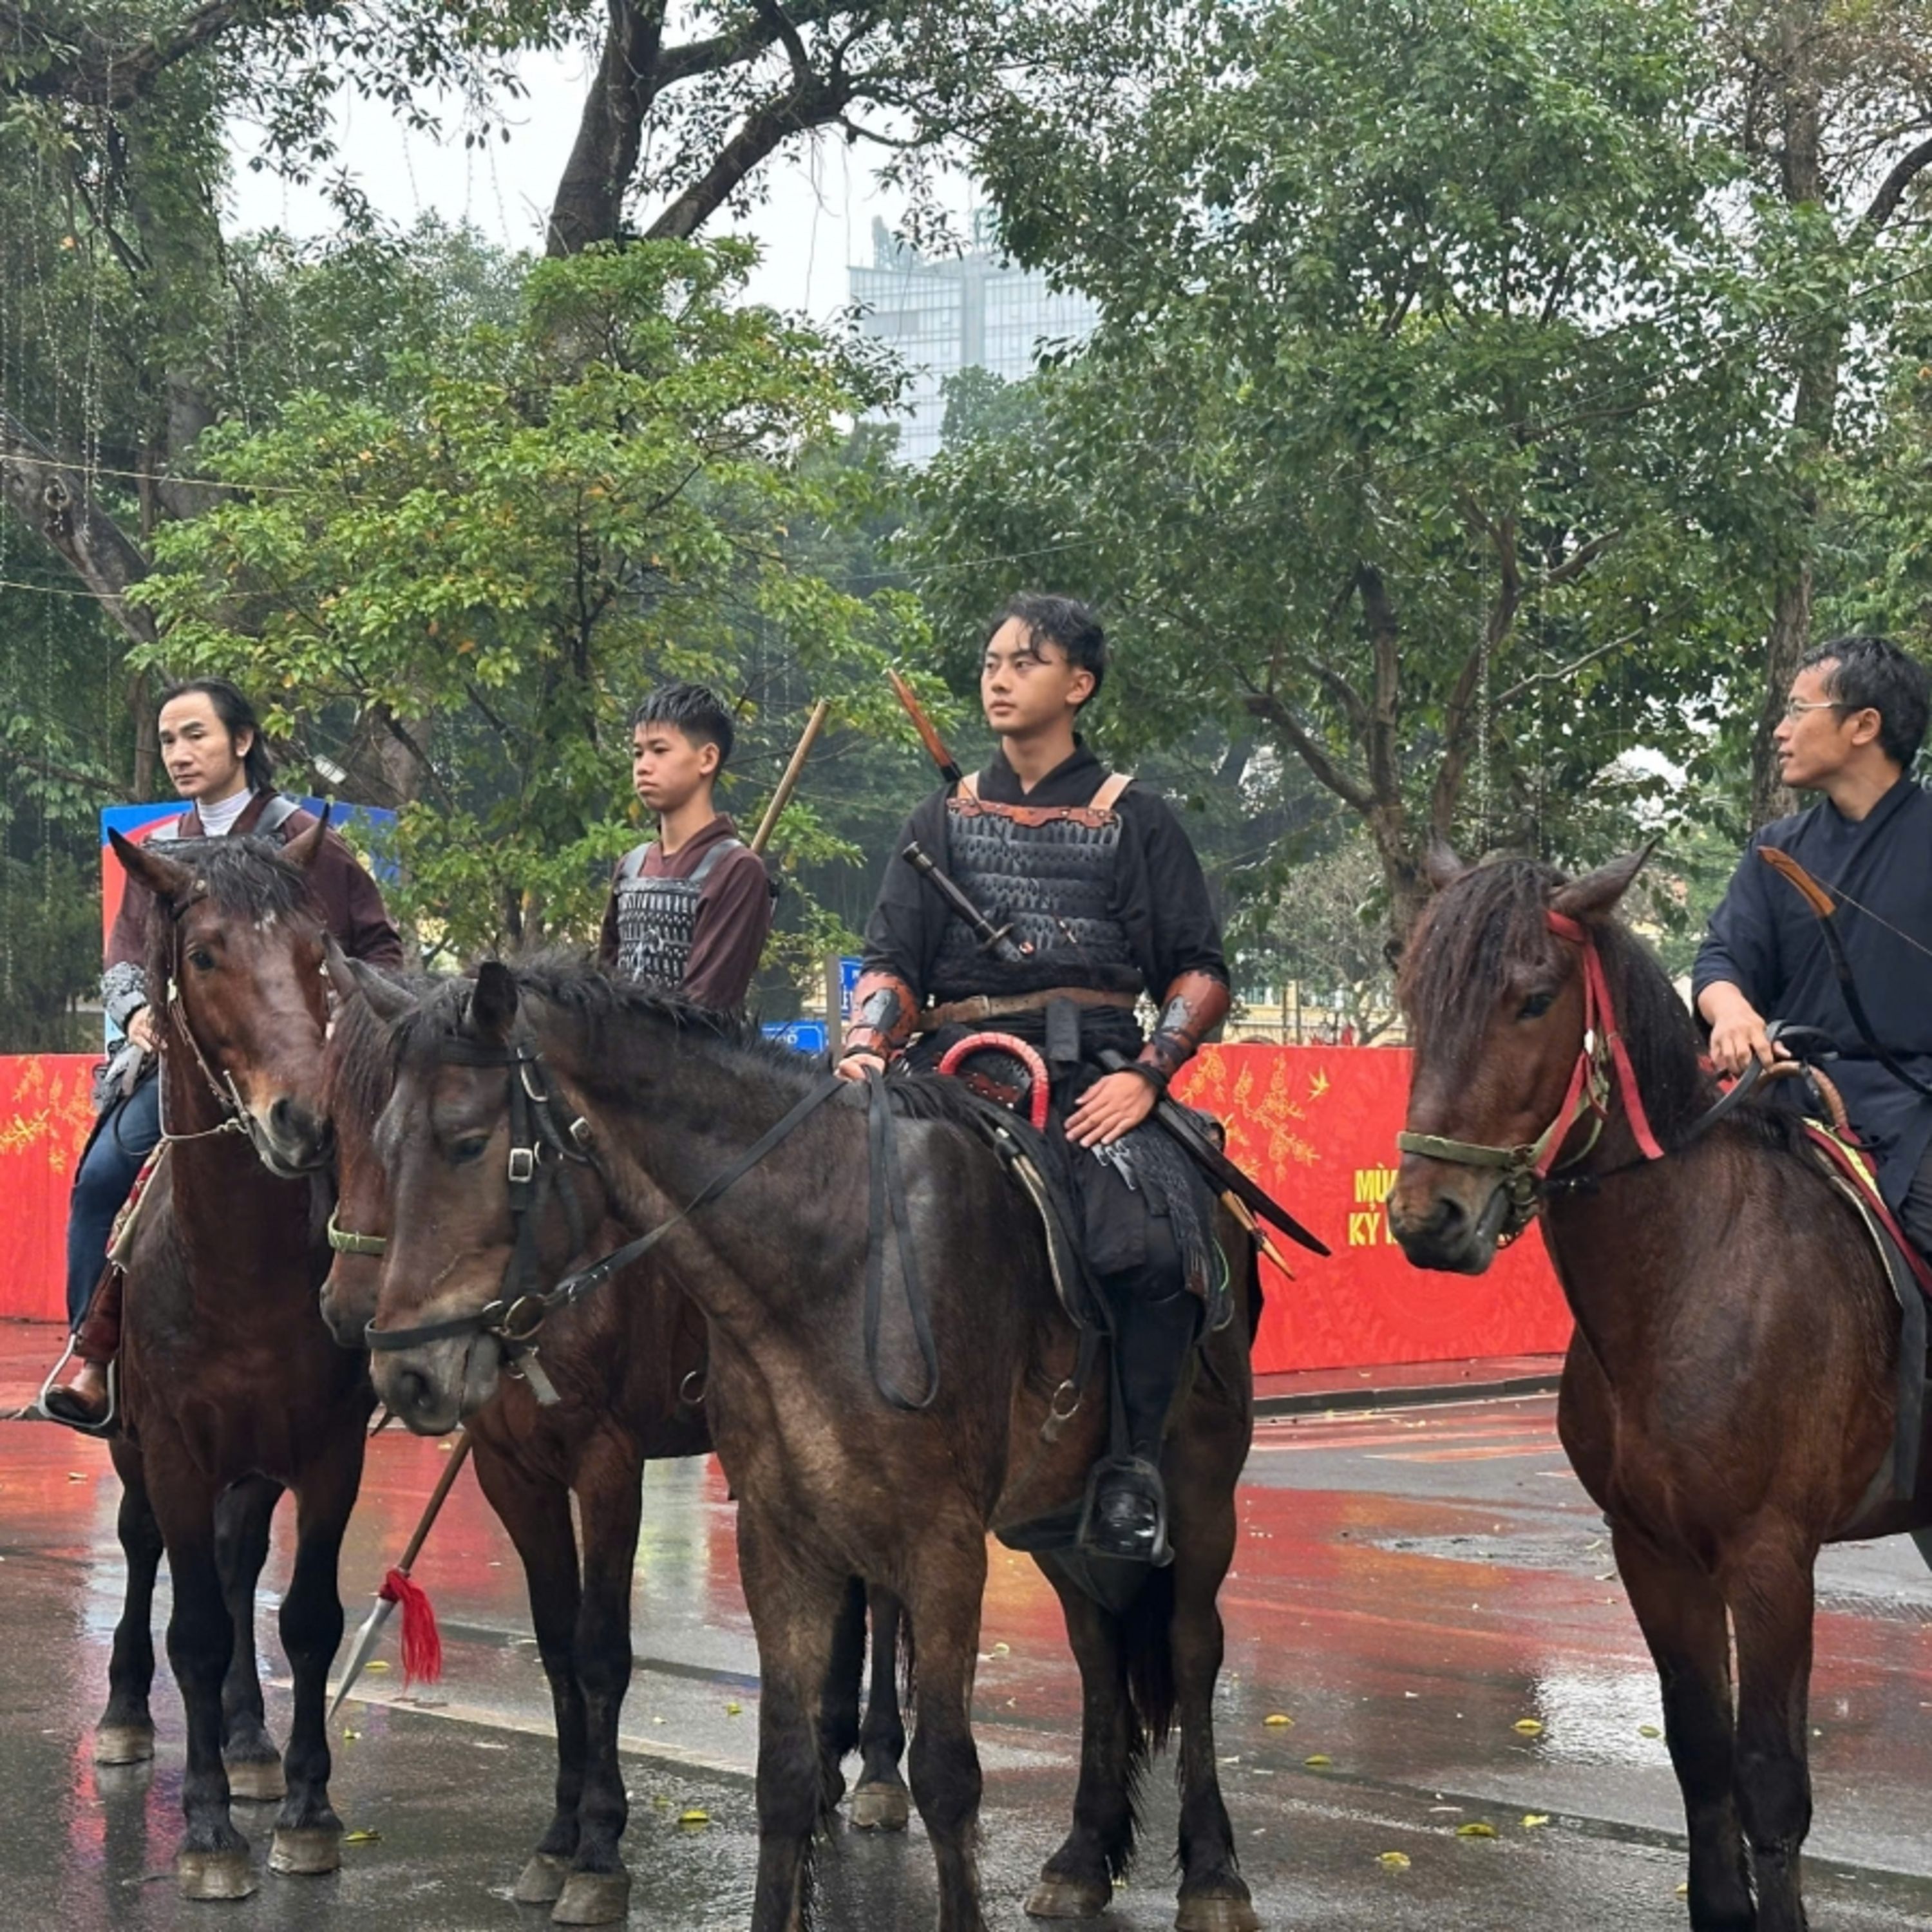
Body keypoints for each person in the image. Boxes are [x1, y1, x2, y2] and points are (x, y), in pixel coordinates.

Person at [838, 593, 1231, 1564]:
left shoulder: (1136, 818)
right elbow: (890, 962)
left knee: (1154, 1246)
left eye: (1026, 662)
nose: (1000, 679)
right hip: (948, 1073)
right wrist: (866, 1042)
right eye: (991, 663)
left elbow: (1199, 974)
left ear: (1079, 684)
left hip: (1092, 1071)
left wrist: (1149, 1076)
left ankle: (1132, 1469)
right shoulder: (938, 817)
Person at [39, 678, 403, 1428]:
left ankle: (392, 1345)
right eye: (168, 740)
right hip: (191, 1066)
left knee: (377, 1178)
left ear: (242, 741)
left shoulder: (304, 839)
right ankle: (95, 1355)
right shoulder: (157, 852)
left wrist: (342, 1024)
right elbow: (124, 956)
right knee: (103, 1180)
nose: (179, 752)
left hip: (301, 1064)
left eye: (195, 735)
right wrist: (138, 1012)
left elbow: (379, 949)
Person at [1695, 635, 1932, 1253]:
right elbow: (1722, 959)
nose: (1781, 730)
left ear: (1864, 726)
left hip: (1915, 1110)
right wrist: (1733, 1012)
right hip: (1783, 1097)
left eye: (1799, 711)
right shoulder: (1778, 848)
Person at [598, 682, 773, 1012]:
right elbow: (602, 986)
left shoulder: (736, 870)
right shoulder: (631, 866)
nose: (643, 766)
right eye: (638, 753)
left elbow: (706, 1007)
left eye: (660, 750)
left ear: (707, 758)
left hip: (694, 1046)